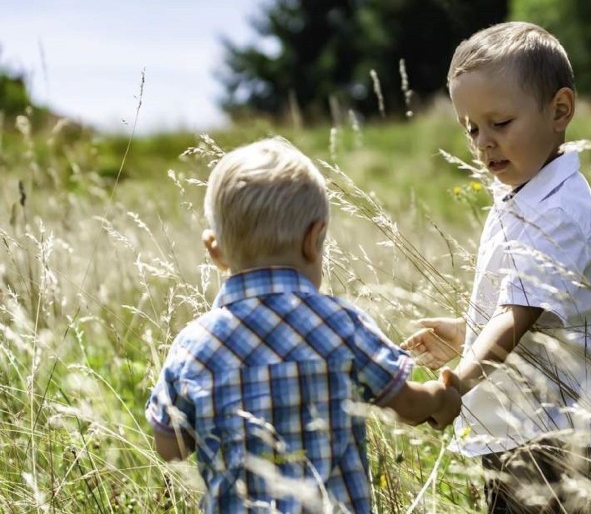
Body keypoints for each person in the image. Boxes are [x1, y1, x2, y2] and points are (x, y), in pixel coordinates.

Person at [146, 137, 461, 513]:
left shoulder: (192, 345)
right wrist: (442, 398)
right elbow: (406, 406)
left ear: (214, 250)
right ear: (314, 240)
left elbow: (170, 447)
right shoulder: (340, 324)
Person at [403, 22, 591, 513]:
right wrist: (469, 331)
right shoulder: (524, 195)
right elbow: (533, 315)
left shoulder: (558, 208)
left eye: (500, 124)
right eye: (472, 130)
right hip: (520, 430)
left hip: (556, 438)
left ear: (559, 110)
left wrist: (456, 383)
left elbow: (516, 317)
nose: (484, 143)